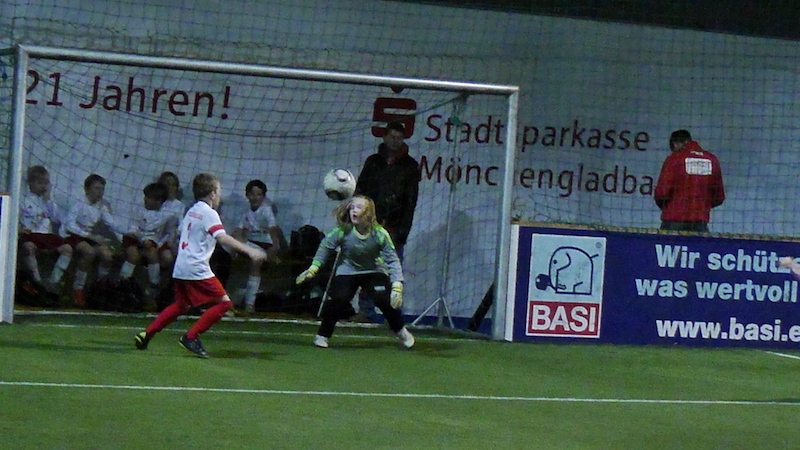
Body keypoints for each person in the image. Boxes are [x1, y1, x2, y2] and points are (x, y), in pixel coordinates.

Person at [133, 173, 267, 358]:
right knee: (225, 304)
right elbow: (222, 237)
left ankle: (146, 334)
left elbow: (179, 234)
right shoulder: (209, 213)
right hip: (196, 267)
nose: (219, 196)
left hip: (181, 266)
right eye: (219, 191)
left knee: (181, 305)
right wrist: (250, 251)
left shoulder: (192, 210)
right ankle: (191, 337)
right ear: (212, 194)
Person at [295, 195, 415, 349]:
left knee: (384, 300)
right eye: (351, 207)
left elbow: (392, 260)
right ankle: (323, 335)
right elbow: (325, 247)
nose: (353, 211)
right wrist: (313, 269)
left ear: (368, 212)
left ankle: (401, 331)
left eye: (359, 207)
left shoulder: (379, 234)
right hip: (347, 270)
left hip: (374, 270)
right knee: (339, 299)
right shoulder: (342, 231)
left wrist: (397, 285)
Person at [352, 120, 419, 322]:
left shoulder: (410, 166)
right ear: (385, 137)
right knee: (367, 269)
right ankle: (366, 310)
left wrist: (403, 231)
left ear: (404, 139)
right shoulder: (373, 162)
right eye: (392, 136)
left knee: (393, 272)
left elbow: (410, 201)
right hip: (370, 225)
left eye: (399, 137)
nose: (395, 141)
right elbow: (360, 190)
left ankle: (394, 313)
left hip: (394, 226)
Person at [60, 173, 127, 307]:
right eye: (97, 188)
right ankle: (78, 289)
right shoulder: (78, 204)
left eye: (102, 189)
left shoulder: (102, 206)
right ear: (87, 189)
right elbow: (69, 225)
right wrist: (90, 236)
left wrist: (129, 232)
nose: (100, 192)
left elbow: (113, 224)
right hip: (72, 236)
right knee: (89, 252)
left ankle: (99, 287)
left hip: (87, 237)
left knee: (107, 255)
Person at [654, 129, 725, 232]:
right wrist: (703, 205)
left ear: (675, 144)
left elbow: (662, 192)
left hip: (673, 218)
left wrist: (667, 206)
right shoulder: (712, 160)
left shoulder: (674, 159)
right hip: (700, 220)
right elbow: (719, 196)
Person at [230, 179, 283, 313]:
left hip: (264, 246)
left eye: (259, 194)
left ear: (263, 197)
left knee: (256, 261)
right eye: (252, 194)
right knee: (233, 241)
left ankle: (249, 304)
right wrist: (235, 245)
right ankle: (231, 299)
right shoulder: (245, 211)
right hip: (250, 244)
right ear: (247, 195)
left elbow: (273, 229)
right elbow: (238, 230)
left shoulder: (266, 210)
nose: (255, 197)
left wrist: (275, 246)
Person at [18, 165, 73, 291]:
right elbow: (16, 218)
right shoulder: (22, 200)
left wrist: (48, 200)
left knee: (67, 248)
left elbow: (57, 219)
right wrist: (20, 229)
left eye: (45, 183)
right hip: (31, 234)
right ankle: (36, 281)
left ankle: (53, 281)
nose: (43, 186)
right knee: (28, 247)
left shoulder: (48, 201)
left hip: (46, 236)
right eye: (40, 183)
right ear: (31, 183)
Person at [119, 182, 178, 297]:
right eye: (145, 196)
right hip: (135, 238)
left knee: (152, 253)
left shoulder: (168, 214)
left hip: (152, 241)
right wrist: (140, 238)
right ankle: (123, 282)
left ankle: (153, 286)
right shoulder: (138, 208)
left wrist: (156, 243)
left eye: (149, 198)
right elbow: (133, 227)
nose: (145, 199)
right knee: (133, 254)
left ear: (158, 201)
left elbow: (168, 233)